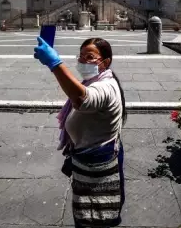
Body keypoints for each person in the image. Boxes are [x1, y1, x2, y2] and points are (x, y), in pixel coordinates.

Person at [34, 37, 126, 227]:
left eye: (90, 56)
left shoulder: (106, 86)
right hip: (88, 156)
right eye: (81, 56)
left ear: (105, 62)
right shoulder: (94, 80)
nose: (83, 61)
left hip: (96, 162)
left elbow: (82, 99)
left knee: (94, 215)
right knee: (90, 210)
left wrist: (54, 63)